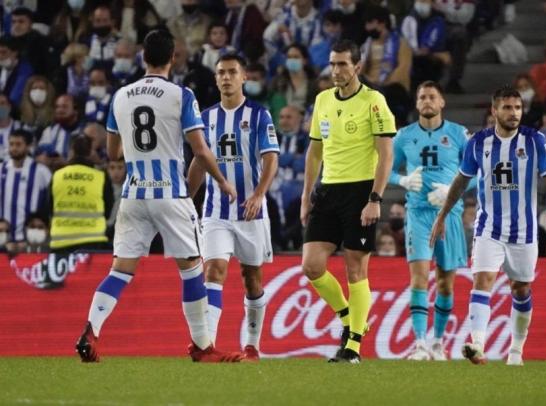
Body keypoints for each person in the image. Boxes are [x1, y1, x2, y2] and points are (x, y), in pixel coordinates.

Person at [75, 30, 241, 363]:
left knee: (121, 268)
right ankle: (202, 347)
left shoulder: (121, 96)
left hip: (134, 193)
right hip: (170, 192)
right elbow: (200, 150)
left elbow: (112, 152)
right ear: (173, 58)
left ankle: (91, 331)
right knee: (192, 268)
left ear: (142, 58)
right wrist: (222, 181)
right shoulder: (181, 95)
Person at [430, 85, 546, 366]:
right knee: (483, 281)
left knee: (521, 289)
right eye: (507, 107)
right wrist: (442, 215)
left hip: (524, 231)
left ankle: (516, 350)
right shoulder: (478, 143)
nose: (514, 113)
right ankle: (477, 344)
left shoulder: (534, 140)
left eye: (517, 108)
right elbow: (461, 181)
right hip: (488, 227)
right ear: (494, 111)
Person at [300, 39, 396, 363]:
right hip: (328, 190)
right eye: (333, 64)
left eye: (343, 64)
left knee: (355, 268)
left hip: (361, 191)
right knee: (311, 266)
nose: (336, 70)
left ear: (357, 66)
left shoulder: (374, 101)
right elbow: (315, 152)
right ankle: (348, 317)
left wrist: (375, 199)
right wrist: (305, 195)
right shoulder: (323, 100)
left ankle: (352, 347)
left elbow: (386, 155)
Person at [187, 53, 279, 361]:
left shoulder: (259, 115)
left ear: (244, 78)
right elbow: (201, 160)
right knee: (214, 270)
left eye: (232, 72)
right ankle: (207, 345)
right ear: (215, 79)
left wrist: (258, 194)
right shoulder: (206, 118)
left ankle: (252, 345)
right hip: (216, 211)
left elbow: (271, 158)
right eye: (221, 73)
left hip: (251, 212)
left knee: (251, 279)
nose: (226, 77)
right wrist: (187, 198)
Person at [389, 80, 473, 361]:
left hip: (449, 215)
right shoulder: (404, 136)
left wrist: (453, 190)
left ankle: (438, 343)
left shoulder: (459, 134)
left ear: (442, 102)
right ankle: (420, 345)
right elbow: (382, 171)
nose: (426, 101)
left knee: (446, 283)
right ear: (416, 104)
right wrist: (401, 179)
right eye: (422, 97)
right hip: (418, 214)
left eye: (432, 97)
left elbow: (480, 175)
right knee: (419, 279)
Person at [47, 136, 112, 252]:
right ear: (90, 152)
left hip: (61, 242)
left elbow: (49, 209)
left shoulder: (57, 176)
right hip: (92, 241)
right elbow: (107, 211)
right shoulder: (100, 177)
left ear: (71, 151)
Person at [0, 129, 52, 252]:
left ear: (28, 146)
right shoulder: (1, 169)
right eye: (11, 144)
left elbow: (51, 202)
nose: (14, 148)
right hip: (3, 240)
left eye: (18, 144)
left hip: (33, 240)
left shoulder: (41, 171)